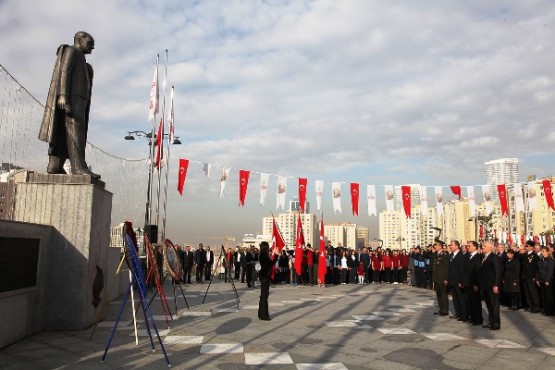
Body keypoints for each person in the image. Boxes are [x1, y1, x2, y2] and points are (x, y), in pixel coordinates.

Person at [39, 31, 100, 179]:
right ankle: (78, 168)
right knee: (76, 134)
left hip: (81, 102)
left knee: (65, 133)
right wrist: (62, 96)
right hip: (72, 99)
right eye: (90, 43)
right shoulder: (71, 51)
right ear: (80, 40)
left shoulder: (85, 63)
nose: (92, 47)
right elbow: (64, 72)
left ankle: (55, 165)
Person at [479, 240, 502, 330]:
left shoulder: (494, 257)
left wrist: (496, 285)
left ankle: (496, 324)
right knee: (488, 305)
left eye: (484, 246)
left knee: (494, 306)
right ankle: (491, 321)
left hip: (492, 285)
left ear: (490, 248)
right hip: (485, 285)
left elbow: (498, 272)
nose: (482, 247)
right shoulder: (484, 257)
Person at [461, 241, 483, 325]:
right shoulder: (468, 256)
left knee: (475, 302)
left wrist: (476, 284)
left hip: (473, 283)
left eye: (469, 246)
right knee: (469, 302)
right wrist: (462, 281)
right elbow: (465, 270)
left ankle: (478, 319)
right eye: (467, 246)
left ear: (475, 247)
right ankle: (472, 318)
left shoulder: (478, 257)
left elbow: (477, 272)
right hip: (467, 283)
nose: (467, 247)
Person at [258, 241, 277, 321]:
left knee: (264, 295)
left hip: (264, 276)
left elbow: (271, 263)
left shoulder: (263, 254)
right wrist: (275, 255)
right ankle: (263, 315)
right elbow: (270, 263)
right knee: (264, 296)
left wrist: (275, 255)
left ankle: (261, 314)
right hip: (265, 276)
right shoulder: (263, 255)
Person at [432, 243, 449, 316]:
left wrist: (445, 278)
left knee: (443, 295)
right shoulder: (437, 255)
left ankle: (445, 310)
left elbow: (446, 268)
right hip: (437, 278)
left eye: (436, 246)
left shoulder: (444, 255)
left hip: (442, 278)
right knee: (438, 295)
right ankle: (441, 309)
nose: (435, 247)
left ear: (440, 247)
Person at [537, 246, 554, 316]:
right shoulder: (541, 260)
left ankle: (550, 311)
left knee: (548, 296)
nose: (542, 252)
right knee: (543, 295)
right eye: (542, 251)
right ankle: (545, 309)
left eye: (543, 251)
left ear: (547, 252)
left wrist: (547, 280)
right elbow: (538, 270)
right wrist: (537, 279)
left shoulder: (550, 260)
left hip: (547, 280)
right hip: (541, 279)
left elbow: (550, 271)